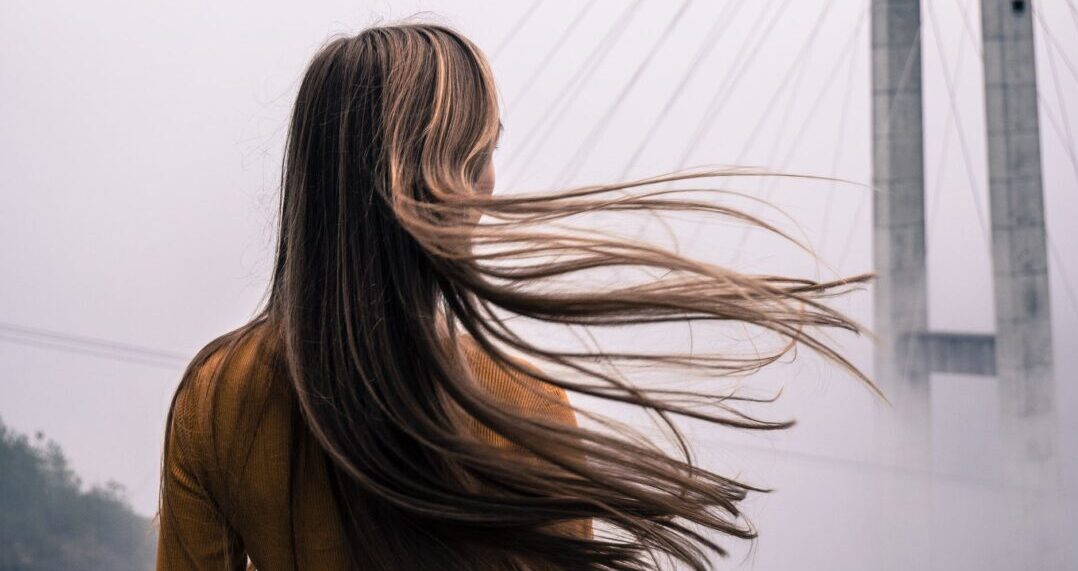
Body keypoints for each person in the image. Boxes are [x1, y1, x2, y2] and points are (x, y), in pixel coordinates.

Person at [155, 22, 875, 571]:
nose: (494, 181)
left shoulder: (217, 396)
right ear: (433, 178)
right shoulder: (523, 406)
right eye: (482, 152)